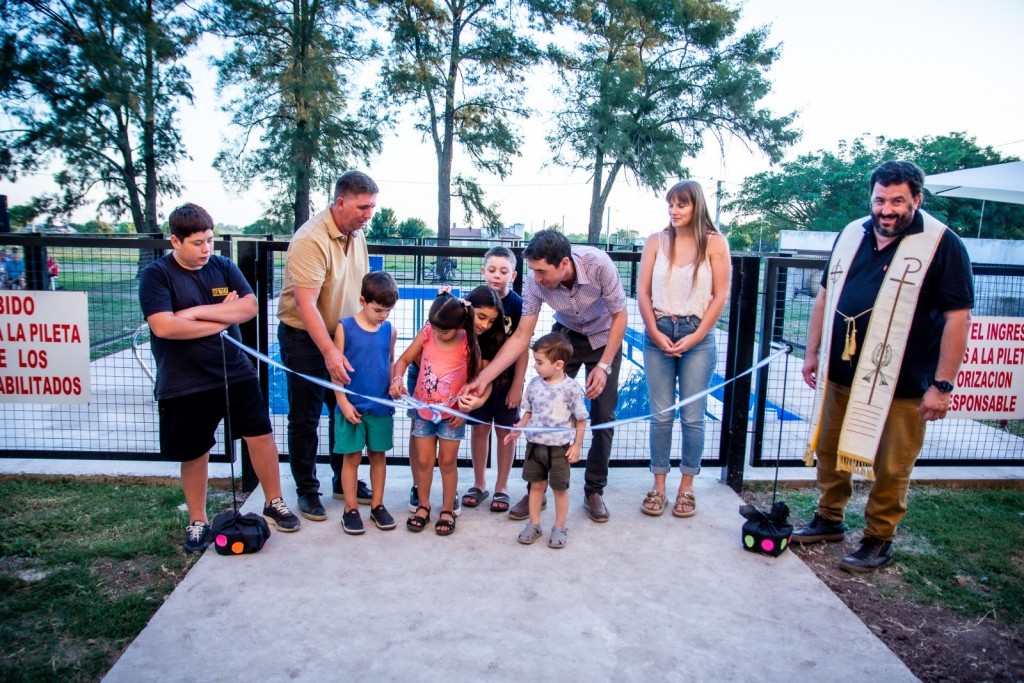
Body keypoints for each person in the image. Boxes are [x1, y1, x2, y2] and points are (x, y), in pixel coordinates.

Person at [798, 160, 973, 573]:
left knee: (891, 465)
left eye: (898, 201)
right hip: (840, 373)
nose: (887, 210)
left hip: (903, 383)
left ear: (917, 198)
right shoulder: (851, 234)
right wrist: (812, 352)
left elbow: (958, 317)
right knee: (829, 451)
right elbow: (825, 296)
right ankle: (829, 518)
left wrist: (942, 385)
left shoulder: (942, 244)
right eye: (880, 200)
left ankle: (879, 538)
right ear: (871, 198)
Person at [139, 203, 301, 553]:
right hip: (185, 380)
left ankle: (273, 501)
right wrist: (223, 317)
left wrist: (196, 314)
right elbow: (164, 326)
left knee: (260, 436)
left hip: (234, 371)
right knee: (195, 452)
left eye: (209, 241)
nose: (205, 250)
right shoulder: (157, 275)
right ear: (175, 241)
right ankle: (198, 520)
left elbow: (249, 308)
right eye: (197, 243)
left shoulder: (223, 266)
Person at [462, 229, 627, 523]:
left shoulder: (599, 264)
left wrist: (604, 366)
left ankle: (594, 491)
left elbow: (620, 315)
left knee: (603, 415)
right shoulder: (535, 281)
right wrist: (484, 377)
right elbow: (521, 336)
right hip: (564, 337)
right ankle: (535, 488)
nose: (536, 279)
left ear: (564, 263)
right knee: (543, 410)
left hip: (604, 338)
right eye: (533, 271)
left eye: (541, 271)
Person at [277, 171, 377, 521]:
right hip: (305, 339)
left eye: (372, 207)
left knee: (343, 411)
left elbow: (360, 287)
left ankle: (341, 479)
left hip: (343, 335)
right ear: (340, 203)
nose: (369, 214)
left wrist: (359, 335)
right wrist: (330, 353)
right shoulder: (311, 239)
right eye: (363, 207)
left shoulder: (357, 233)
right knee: (304, 417)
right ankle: (307, 490)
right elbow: (307, 306)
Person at [637, 181, 731, 518]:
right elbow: (643, 293)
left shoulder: (716, 244)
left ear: (696, 206)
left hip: (697, 335)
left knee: (693, 417)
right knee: (661, 415)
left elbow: (720, 296)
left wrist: (695, 337)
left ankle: (686, 487)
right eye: (671, 205)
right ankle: (658, 486)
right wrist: (653, 332)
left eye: (681, 205)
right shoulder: (655, 242)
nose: (674, 211)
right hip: (658, 332)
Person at [390, 292, 483, 536]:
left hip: (452, 414)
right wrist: (397, 378)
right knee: (423, 461)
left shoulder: (467, 341)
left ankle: (447, 508)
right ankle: (423, 505)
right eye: (436, 327)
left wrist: (464, 409)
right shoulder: (428, 332)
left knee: (448, 462)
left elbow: (475, 380)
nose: (440, 333)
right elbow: (403, 360)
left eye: (446, 330)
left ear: (459, 325)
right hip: (423, 410)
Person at [504, 333, 588, 549]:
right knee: (536, 486)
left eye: (540, 362)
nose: (535, 366)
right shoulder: (534, 384)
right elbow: (529, 413)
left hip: (560, 449)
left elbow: (581, 419)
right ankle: (534, 524)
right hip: (535, 447)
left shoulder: (571, 389)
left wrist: (577, 445)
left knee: (559, 489)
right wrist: (518, 429)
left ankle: (559, 527)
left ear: (559, 364)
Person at [332, 271, 400, 535]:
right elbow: (336, 371)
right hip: (351, 406)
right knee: (351, 458)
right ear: (362, 300)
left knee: (378, 456)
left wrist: (395, 381)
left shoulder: (389, 330)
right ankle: (350, 508)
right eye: (378, 309)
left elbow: (391, 360)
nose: (384, 315)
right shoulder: (345, 327)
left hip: (380, 407)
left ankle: (377, 505)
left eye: (389, 310)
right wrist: (343, 402)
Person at [463, 247, 529, 514]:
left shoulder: (520, 306)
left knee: (505, 433)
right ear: (483, 272)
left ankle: (501, 486)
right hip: (478, 379)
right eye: (491, 270)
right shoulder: (473, 302)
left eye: (503, 271)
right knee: (479, 429)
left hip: (506, 382)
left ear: (513, 275)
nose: (496, 276)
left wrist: (517, 385)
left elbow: (523, 348)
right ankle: (479, 483)